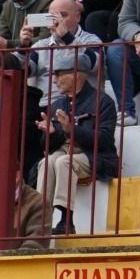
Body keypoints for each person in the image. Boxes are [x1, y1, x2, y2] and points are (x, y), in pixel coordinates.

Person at [35, 53, 116, 235]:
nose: (55, 81)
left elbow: (104, 140)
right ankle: (40, 219)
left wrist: (73, 130)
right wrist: (52, 134)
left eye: (59, 74)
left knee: (64, 162)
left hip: (92, 155)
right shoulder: (57, 104)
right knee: (46, 162)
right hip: (64, 151)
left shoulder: (103, 101)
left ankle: (66, 220)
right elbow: (46, 147)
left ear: (76, 74)